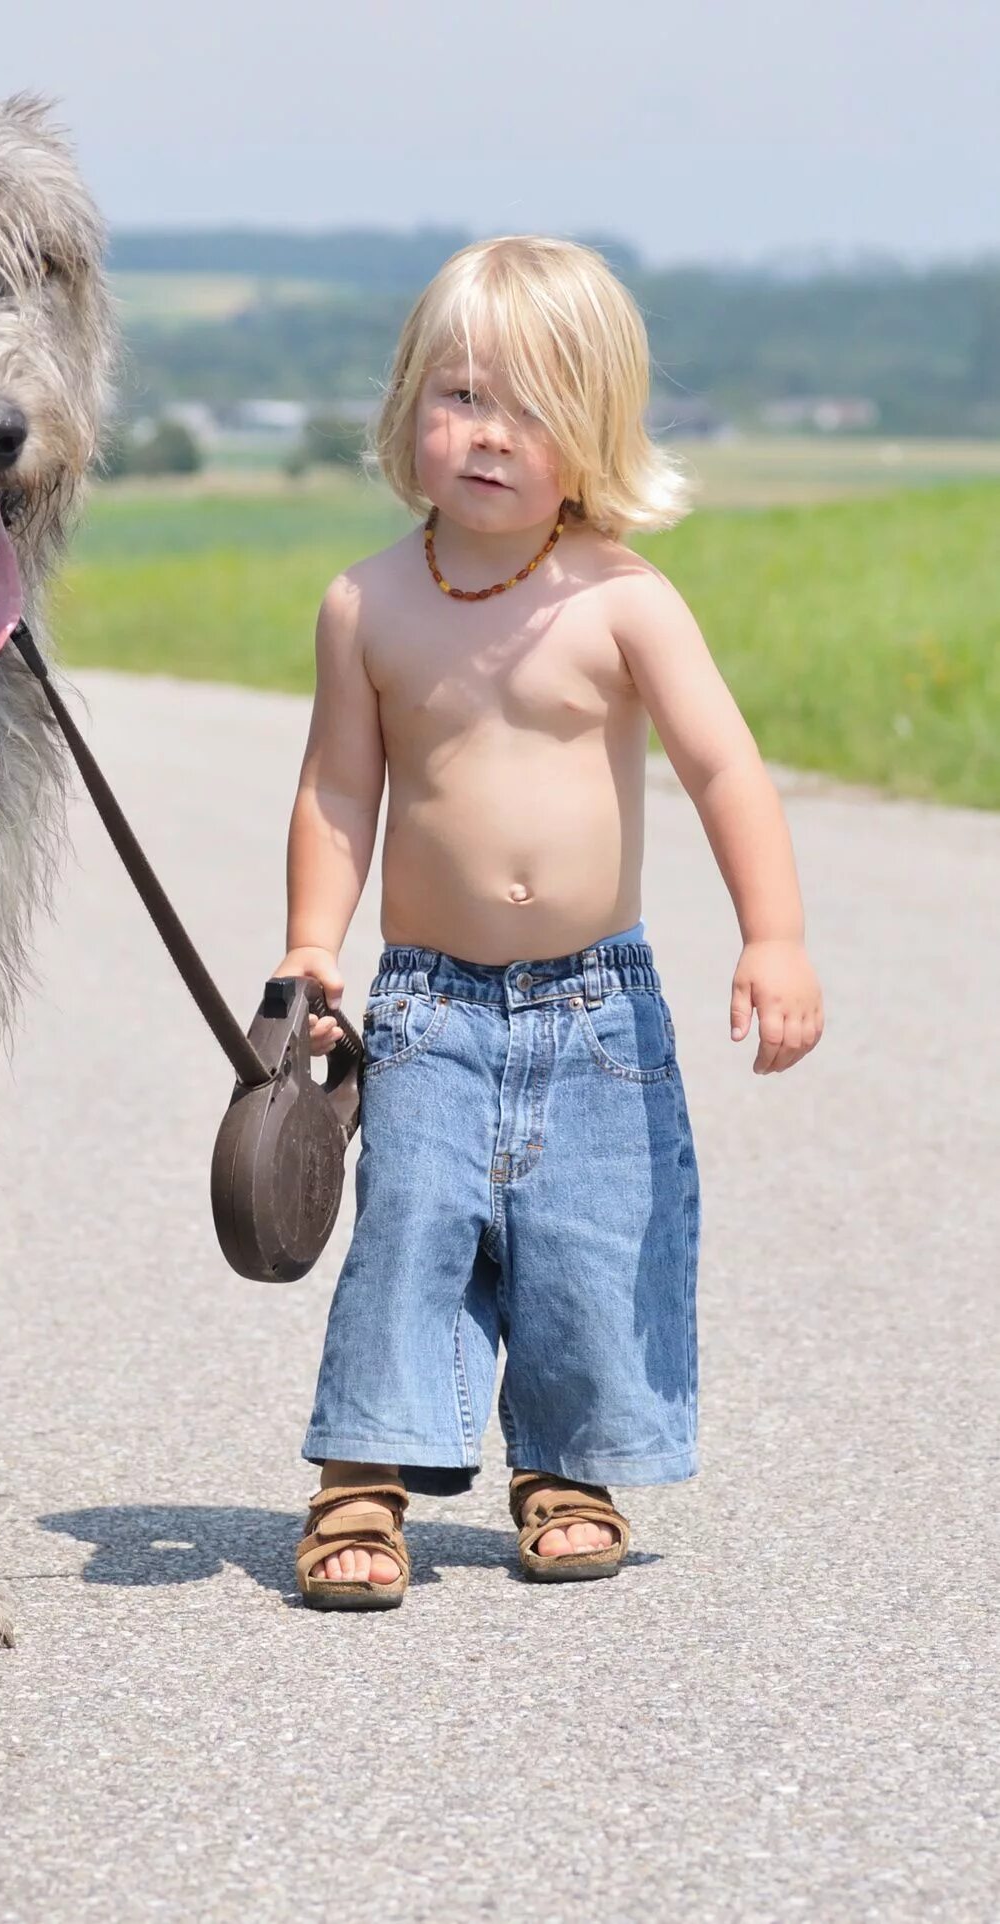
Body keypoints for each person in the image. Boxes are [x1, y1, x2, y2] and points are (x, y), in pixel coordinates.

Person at [277, 236, 823, 1609]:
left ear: (592, 439)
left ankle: (568, 1467)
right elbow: (340, 791)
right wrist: (309, 942)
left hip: (597, 1006)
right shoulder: (369, 603)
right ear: (409, 406)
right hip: (426, 1004)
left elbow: (723, 770)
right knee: (411, 1231)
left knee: (590, 1238)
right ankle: (363, 1477)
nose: (487, 434)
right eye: (458, 394)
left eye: (530, 408)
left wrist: (775, 936)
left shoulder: (625, 600)